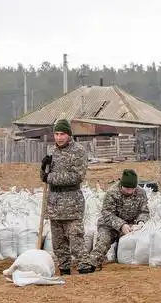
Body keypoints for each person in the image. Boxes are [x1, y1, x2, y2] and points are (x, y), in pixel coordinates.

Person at [41, 118, 88, 275]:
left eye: (62, 134)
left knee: (76, 241)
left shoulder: (78, 151)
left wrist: (49, 177)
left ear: (69, 135)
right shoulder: (51, 151)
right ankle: (65, 270)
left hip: (72, 204)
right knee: (58, 244)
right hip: (54, 204)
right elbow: (44, 177)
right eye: (56, 134)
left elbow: (76, 176)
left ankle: (84, 268)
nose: (59, 137)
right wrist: (43, 169)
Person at [80, 168, 150, 273]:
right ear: (121, 185)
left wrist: (141, 222)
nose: (130, 191)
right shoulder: (112, 192)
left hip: (132, 225)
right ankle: (91, 263)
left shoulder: (141, 193)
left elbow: (145, 211)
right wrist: (122, 225)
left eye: (132, 189)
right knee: (103, 242)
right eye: (126, 189)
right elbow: (107, 214)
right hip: (109, 226)